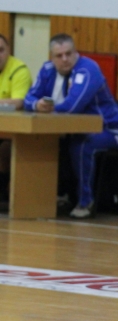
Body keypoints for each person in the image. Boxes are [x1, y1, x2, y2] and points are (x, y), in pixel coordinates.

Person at [24, 33, 118, 219]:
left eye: (69, 53)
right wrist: (36, 105)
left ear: (75, 52)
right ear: (51, 57)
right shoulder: (47, 70)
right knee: (43, 142)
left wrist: (47, 109)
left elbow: (72, 106)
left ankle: (85, 202)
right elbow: (28, 98)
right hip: (70, 130)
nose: (65, 59)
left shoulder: (88, 70)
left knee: (82, 145)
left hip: (109, 130)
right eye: (59, 56)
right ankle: (46, 198)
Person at [0, 34, 32, 207]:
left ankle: (5, 194)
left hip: (15, 132)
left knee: (5, 149)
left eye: (1, 50)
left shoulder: (19, 70)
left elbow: (18, 102)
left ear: (9, 51)